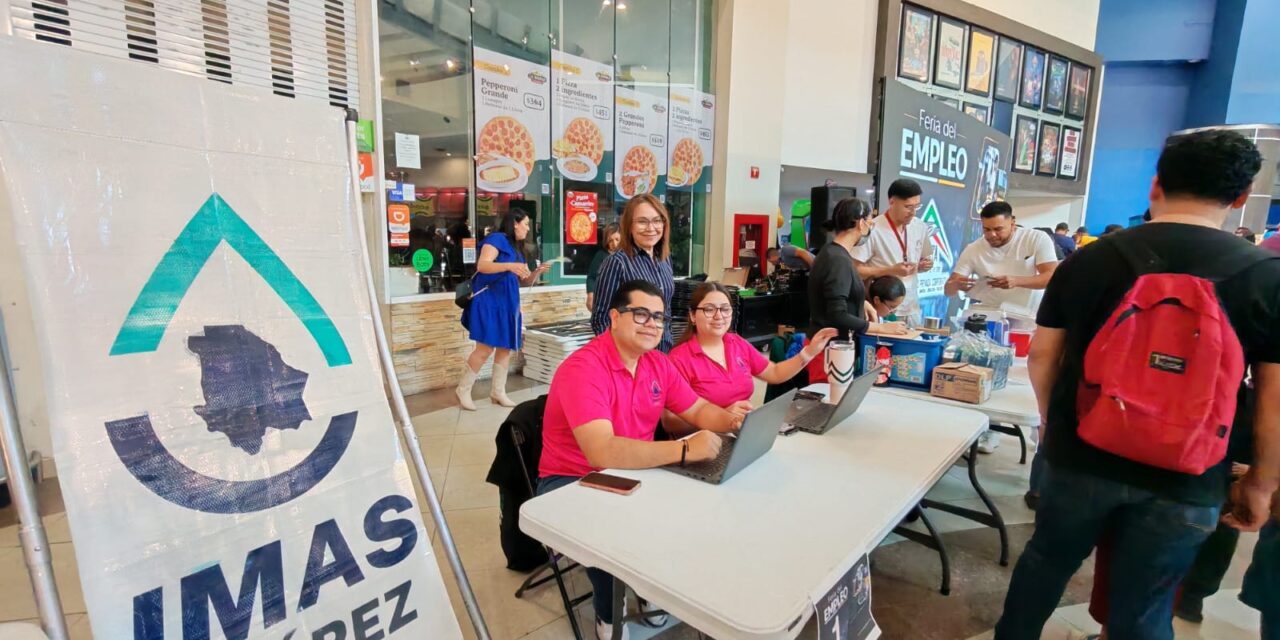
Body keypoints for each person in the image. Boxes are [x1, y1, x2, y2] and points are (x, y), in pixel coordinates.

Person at [994, 129, 1280, 640]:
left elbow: (1043, 358)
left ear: (1155, 185)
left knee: (1045, 566)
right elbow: (1273, 400)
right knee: (1144, 607)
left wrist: (1051, 425)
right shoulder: (1266, 277)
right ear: (1240, 198)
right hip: (1189, 473)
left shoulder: (1088, 260)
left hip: (1082, 453)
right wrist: (1262, 481)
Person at [538, 279, 749, 640]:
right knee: (615, 533)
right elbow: (600, 451)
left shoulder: (656, 363)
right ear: (614, 317)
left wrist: (732, 420)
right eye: (641, 314)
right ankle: (610, 617)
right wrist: (683, 450)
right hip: (572, 480)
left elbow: (696, 408)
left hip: (633, 470)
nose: (652, 323)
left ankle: (653, 585)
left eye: (659, 317)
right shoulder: (584, 368)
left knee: (704, 501)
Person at [944, 202, 1058, 453]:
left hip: (1028, 317)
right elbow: (949, 288)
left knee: (1027, 376)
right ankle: (986, 428)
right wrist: (958, 284)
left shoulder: (1035, 239)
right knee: (985, 372)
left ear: (1013, 223)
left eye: (998, 229)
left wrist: (1017, 281)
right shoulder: (974, 249)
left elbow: (1052, 275)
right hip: (988, 318)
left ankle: (1038, 430)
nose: (992, 235)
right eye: (986, 230)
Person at [666, 282, 838, 434]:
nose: (719, 316)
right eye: (709, 309)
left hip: (741, 433)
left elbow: (774, 372)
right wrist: (724, 415)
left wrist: (809, 352)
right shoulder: (679, 359)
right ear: (693, 316)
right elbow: (670, 423)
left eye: (725, 309)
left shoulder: (736, 343)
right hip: (703, 441)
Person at [455, 211, 550, 411]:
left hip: (508, 303)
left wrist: (535, 273)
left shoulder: (517, 248)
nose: (528, 228)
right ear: (515, 224)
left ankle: (498, 392)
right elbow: (483, 266)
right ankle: (463, 389)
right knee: (485, 348)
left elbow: (523, 280)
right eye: (525, 224)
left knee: (505, 348)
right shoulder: (497, 239)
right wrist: (511, 265)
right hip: (489, 302)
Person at [592, 194, 677, 352]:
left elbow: (666, 312)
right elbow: (601, 319)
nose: (651, 228)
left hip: (663, 353)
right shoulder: (617, 263)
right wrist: (621, 358)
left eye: (657, 220)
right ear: (629, 226)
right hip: (632, 355)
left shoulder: (664, 260)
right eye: (642, 222)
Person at [851, 179, 935, 324]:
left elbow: (925, 258)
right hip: (884, 309)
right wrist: (890, 270)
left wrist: (922, 266)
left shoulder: (919, 226)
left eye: (917, 207)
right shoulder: (873, 228)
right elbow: (855, 270)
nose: (913, 212)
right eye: (908, 207)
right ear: (892, 201)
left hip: (912, 307)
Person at [585, 222, 621, 311]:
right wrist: (590, 295)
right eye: (610, 240)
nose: (615, 244)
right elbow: (591, 277)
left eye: (617, 239)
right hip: (604, 302)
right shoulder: (601, 255)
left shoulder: (628, 255)